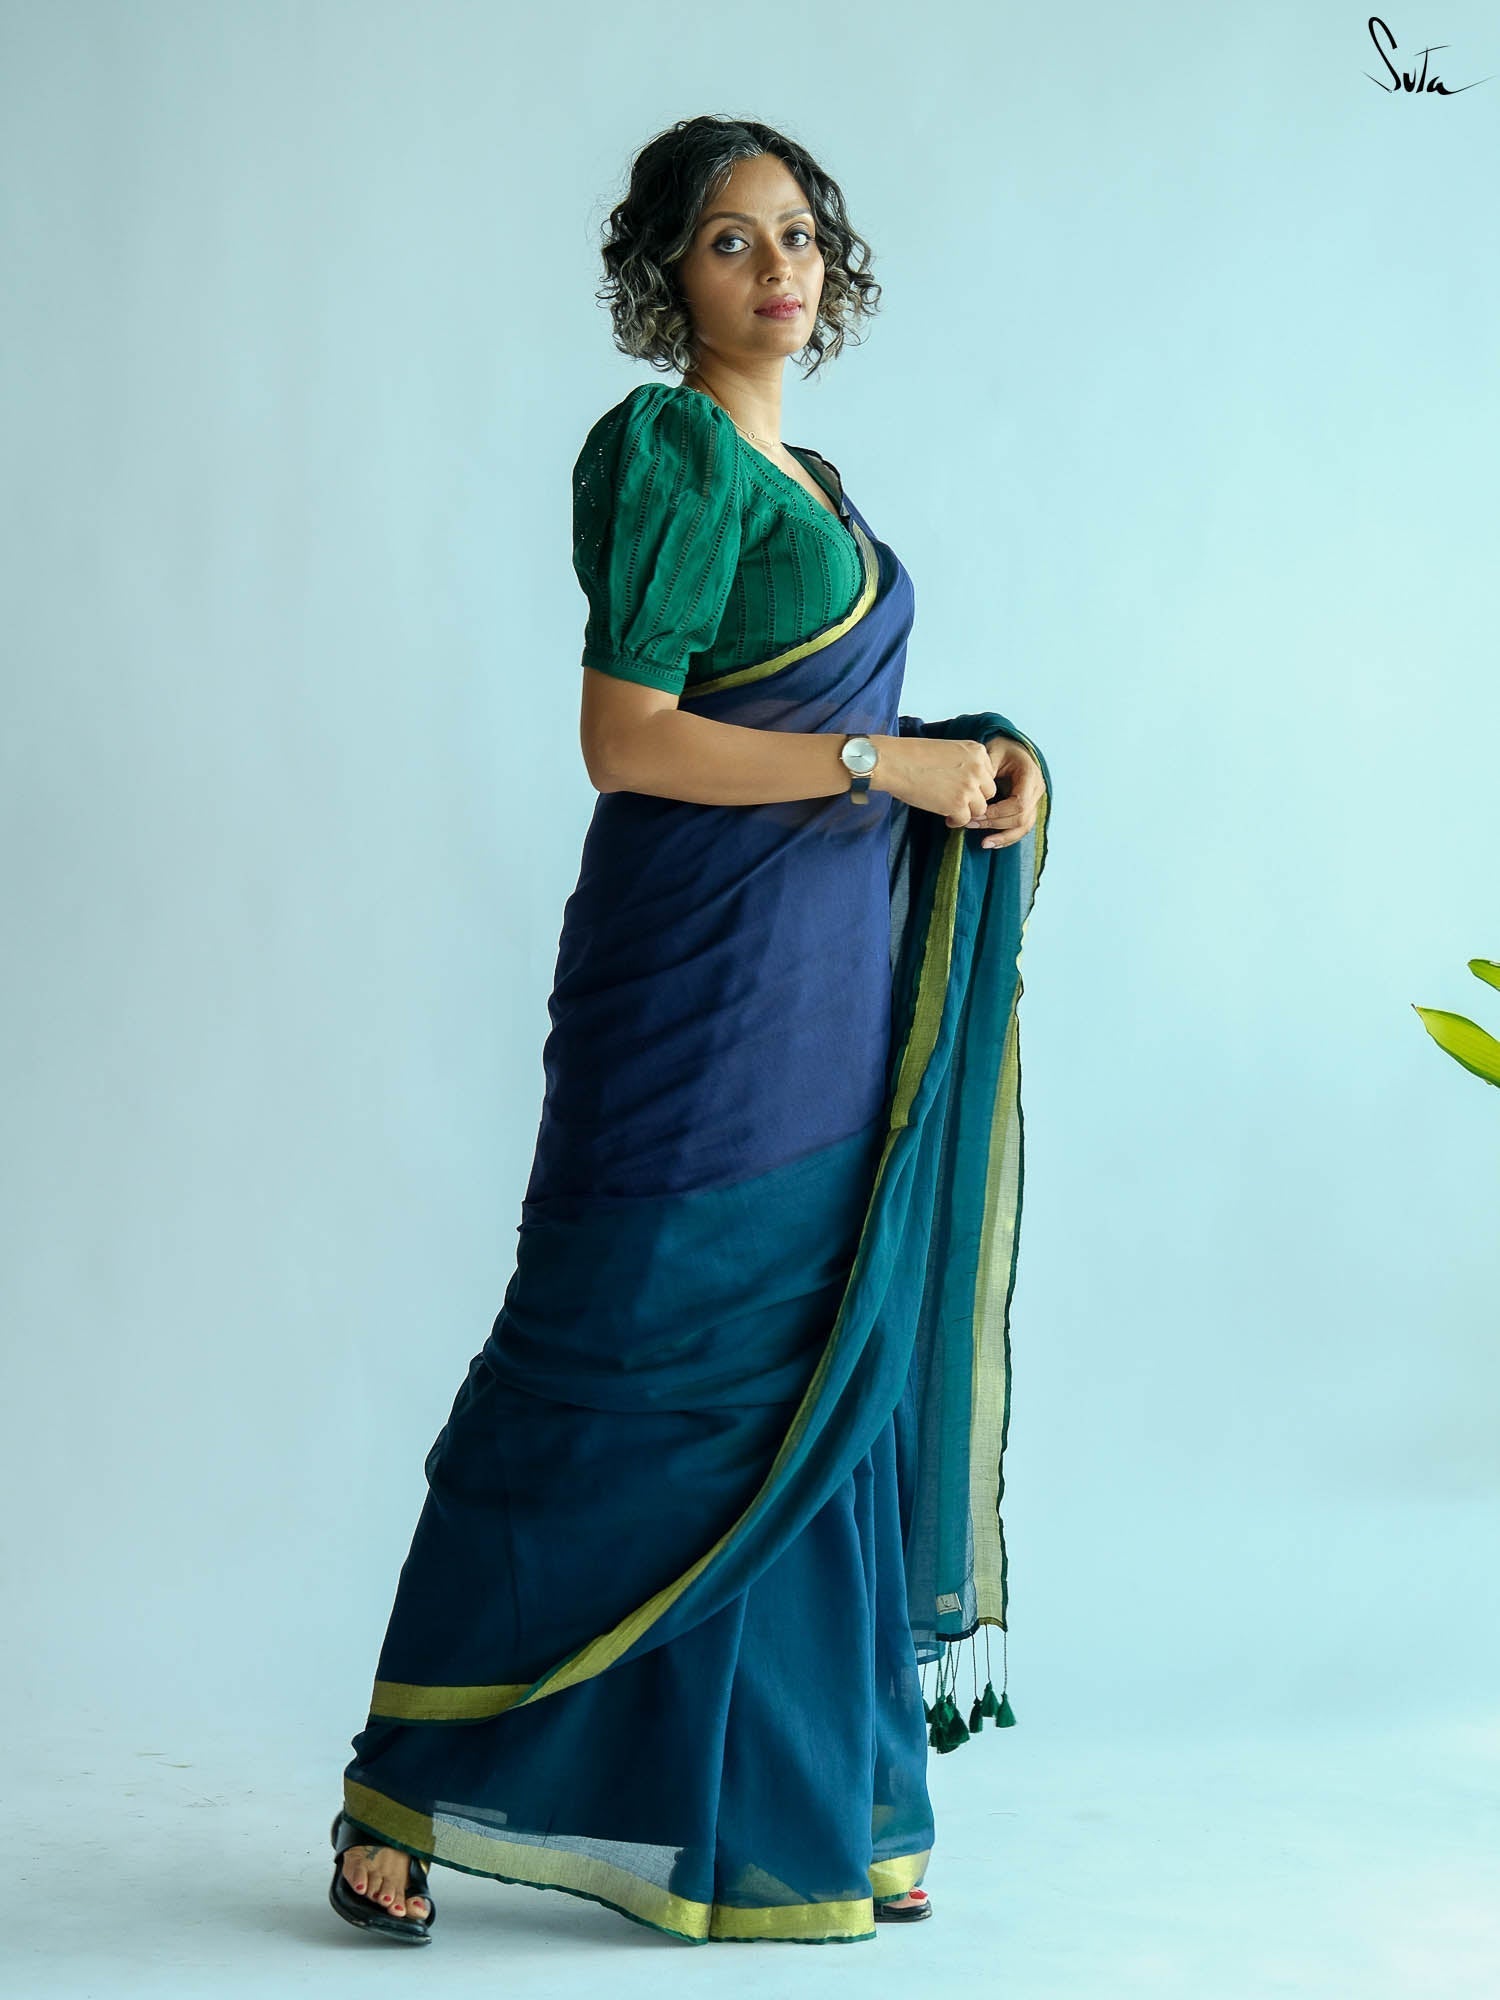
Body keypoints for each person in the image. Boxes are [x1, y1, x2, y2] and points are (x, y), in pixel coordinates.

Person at [327, 113, 1052, 1950]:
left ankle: (827, 1808)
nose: (777, 266)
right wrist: (885, 764)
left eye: (796, 232)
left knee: (810, 1363)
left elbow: (817, 737)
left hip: (831, 981)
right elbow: (629, 737)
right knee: (612, 1356)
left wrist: (978, 772)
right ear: (668, 276)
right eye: (731, 240)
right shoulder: (664, 452)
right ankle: (402, 1786)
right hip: (695, 980)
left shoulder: (815, 480)